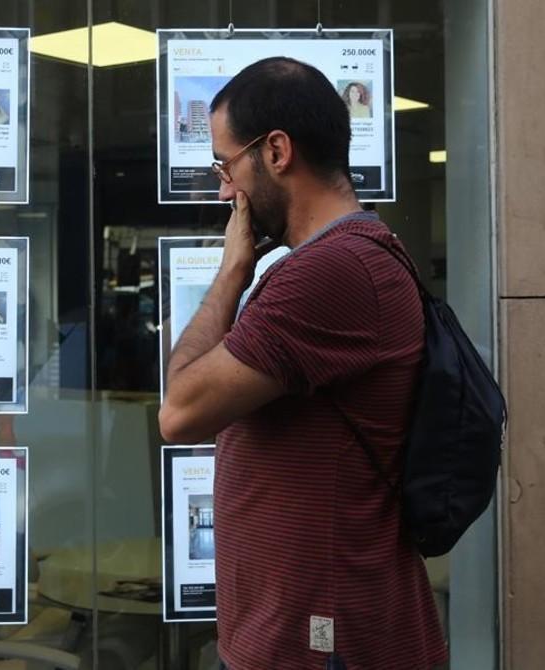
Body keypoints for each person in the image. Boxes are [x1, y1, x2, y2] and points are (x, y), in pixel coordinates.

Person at [159, 57, 446, 669]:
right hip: (310, 633)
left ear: (277, 151)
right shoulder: (346, 259)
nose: (223, 191)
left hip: (325, 642)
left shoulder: (333, 272)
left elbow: (179, 411)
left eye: (225, 165)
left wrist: (234, 269)